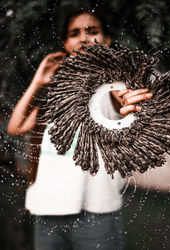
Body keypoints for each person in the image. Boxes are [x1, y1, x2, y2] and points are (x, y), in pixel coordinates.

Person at [7, 9, 153, 250]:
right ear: (65, 44)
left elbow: (126, 100)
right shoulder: (54, 95)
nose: (83, 38)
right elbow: (16, 127)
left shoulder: (112, 84)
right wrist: (38, 81)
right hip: (48, 210)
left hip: (96, 212)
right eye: (75, 33)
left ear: (106, 41)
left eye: (92, 31)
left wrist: (130, 100)